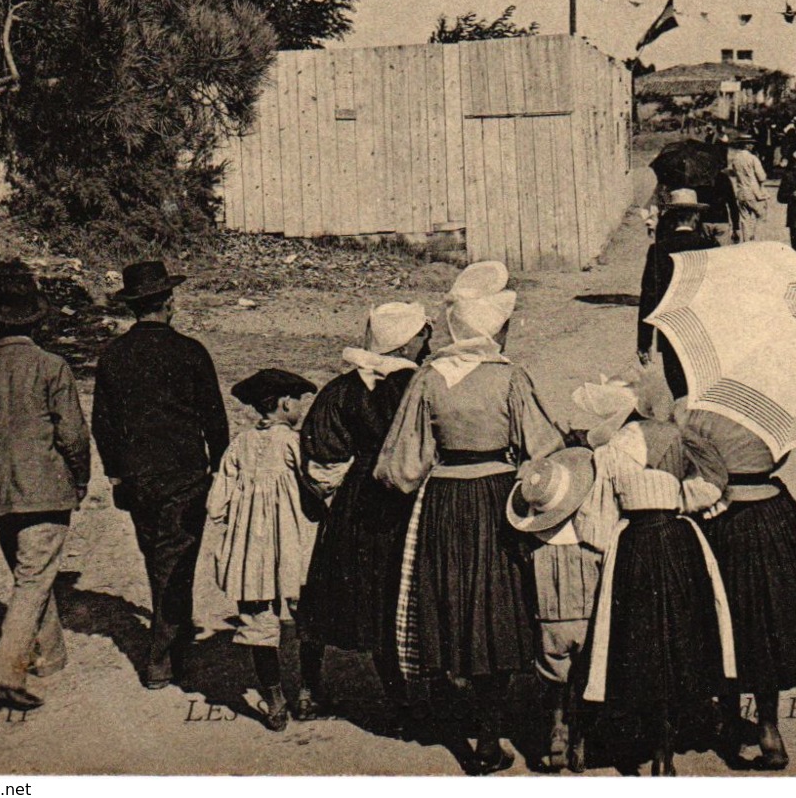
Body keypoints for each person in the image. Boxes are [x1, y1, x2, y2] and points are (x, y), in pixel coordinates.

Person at [375, 263, 565, 775]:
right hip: (496, 500)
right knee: (496, 604)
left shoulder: (428, 379)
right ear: (491, 330)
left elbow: (400, 465)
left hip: (445, 502)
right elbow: (545, 448)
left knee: (453, 601)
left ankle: (461, 720)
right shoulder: (509, 377)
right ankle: (487, 732)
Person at [574, 373, 731, 776]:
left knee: (637, 638)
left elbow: (596, 524)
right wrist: (679, 495)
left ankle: (645, 737)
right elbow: (713, 486)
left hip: (633, 546)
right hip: (678, 540)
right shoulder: (678, 439)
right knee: (680, 632)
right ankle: (666, 749)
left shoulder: (610, 450)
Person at [0, 264, 91, 713]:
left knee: (30, 576)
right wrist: (81, 477)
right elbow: (73, 434)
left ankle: (49, 656)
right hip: (46, 490)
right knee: (33, 580)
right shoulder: (52, 367)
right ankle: (3, 673)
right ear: (36, 320)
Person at [93, 260, 231, 690]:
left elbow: (103, 423)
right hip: (185, 476)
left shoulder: (114, 355)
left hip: (138, 479)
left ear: (134, 308)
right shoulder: (190, 352)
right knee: (177, 563)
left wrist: (116, 475)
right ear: (169, 303)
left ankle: (172, 634)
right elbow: (215, 419)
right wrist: (220, 468)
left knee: (158, 557)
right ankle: (162, 655)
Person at [295, 301, 433, 722]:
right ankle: (401, 692)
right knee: (397, 587)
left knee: (336, 586)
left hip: (357, 498)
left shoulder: (342, 389)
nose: (429, 340)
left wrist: (337, 491)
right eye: (424, 334)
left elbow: (320, 456)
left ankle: (308, 685)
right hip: (409, 496)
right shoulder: (422, 387)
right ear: (408, 343)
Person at [687, 409, 796, 772]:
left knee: (724, 621)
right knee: (766, 622)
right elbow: (781, 457)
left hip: (722, 518)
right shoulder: (773, 415)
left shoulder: (697, 414)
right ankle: (769, 728)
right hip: (770, 514)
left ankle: (728, 717)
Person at [210, 368, 319, 731]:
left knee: (257, 615)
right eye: (299, 400)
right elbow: (317, 479)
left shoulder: (240, 443)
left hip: (251, 545)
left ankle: (275, 700)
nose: (301, 406)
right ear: (286, 403)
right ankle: (307, 691)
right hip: (291, 537)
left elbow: (218, 499)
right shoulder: (293, 441)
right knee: (304, 608)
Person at [507, 443, 599, 772]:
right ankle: (581, 742)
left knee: (553, 683)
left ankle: (557, 730)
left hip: (548, 621)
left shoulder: (534, 546)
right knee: (585, 679)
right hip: (587, 619)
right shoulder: (591, 542)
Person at [638, 189, 718, 399]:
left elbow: (649, 296)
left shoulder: (658, 250)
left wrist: (644, 341)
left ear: (672, 219)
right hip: (704, 333)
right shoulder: (710, 247)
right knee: (703, 393)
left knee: (680, 394)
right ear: (696, 216)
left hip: (671, 332)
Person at [723, 133, 770, 243]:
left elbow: (732, 172)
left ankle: (746, 241)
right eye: (750, 144)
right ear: (746, 145)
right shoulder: (753, 158)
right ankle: (755, 240)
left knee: (744, 218)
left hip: (740, 191)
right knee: (760, 216)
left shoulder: (735, 159)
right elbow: (762, 177)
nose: (752, 146)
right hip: (753, 192)